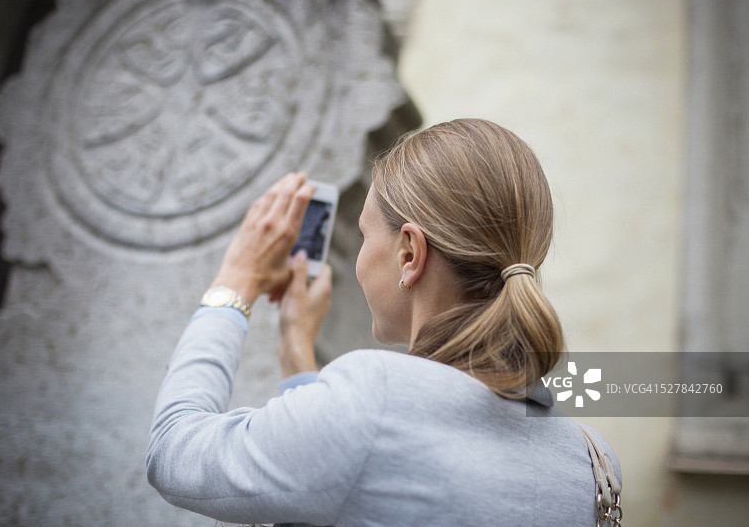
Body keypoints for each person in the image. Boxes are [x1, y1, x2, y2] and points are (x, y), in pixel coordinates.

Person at [147, 118, 622, 526]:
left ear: (409, 253)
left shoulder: (370, 399)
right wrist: (297, 351)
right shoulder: (592, 458)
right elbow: (355, 473)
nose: (358, 257)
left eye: (363, 234)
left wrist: (236, 281)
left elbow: (174, 450)